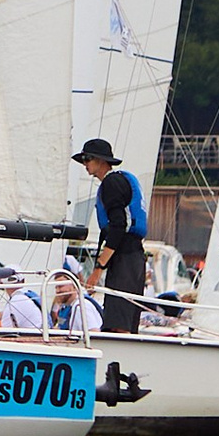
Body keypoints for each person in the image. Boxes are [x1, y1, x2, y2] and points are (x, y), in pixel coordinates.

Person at [75, 138, 149, 333]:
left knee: (118, 324)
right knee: (124, 322)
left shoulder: (111, 183)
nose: (85, 164)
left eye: (88, 159)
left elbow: (118, 227)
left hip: (125, 259)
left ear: (101, 160)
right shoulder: (117, 181)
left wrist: (98, 269)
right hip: (134, 259)